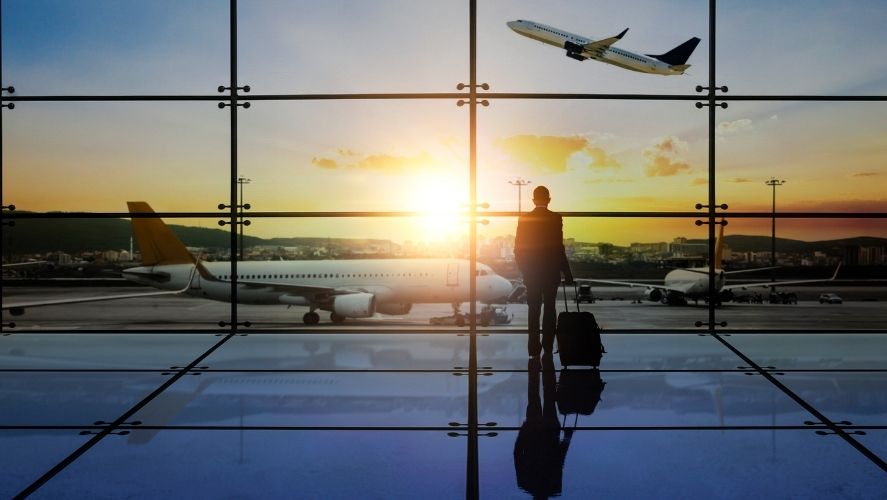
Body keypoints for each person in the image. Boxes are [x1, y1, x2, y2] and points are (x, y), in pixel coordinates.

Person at [514, 186, 573, 357]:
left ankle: (533, 348)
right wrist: (566, 271)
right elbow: (558, 248)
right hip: (550, 272)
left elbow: (518, 249)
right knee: (550, 308)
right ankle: (547, 346)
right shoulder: (555, 218)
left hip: (532, 273)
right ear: (548, 200)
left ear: (533, 200)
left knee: (533, 310)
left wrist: (525, 270)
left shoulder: (524, 219)